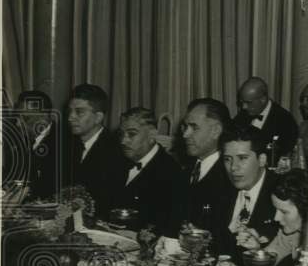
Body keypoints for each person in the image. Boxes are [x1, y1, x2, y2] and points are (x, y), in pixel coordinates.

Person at [237, 169, 308, 266]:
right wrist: (256, 249)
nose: (276, 218)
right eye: (276, 210)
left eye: (284, 212)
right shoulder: (292, 232)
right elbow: (268, 262)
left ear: (306, 210)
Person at [114, 107, 185, 238]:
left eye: (132, 134)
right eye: (121, 134)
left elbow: (168, 227)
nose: (123, 141)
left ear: (152, 135)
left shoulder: (170, 172)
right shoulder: (118, 162)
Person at [215, 125, 279, 261]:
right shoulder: (220, 188)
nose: (233, 167)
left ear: (262, 159)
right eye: (227, 159)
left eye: (242, 158)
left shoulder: (281, 195)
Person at [63, 84, 125, 219]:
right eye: (70, 111)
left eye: (79, 112)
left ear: (98, 117)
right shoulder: (66, 145)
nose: (70, 117)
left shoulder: (117, 150)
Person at [180, 97, 236, 236]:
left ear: (216, 131)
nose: (185, 134)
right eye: (185, 127)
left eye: (194, 127)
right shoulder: (187, 168)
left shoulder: (230, 175)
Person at [4, 90, 61, 200]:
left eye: (25, 118)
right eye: (17, 117)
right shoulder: (16, 140)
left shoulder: (64, 143)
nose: (17, 124)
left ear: (44, 117)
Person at [232, 76, 299, 161]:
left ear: (263, 99)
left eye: (248, 102)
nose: (244, 107)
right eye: (242, 102)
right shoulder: (241, 117)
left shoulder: (285, 120)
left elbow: (285, 155)